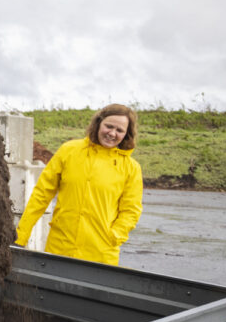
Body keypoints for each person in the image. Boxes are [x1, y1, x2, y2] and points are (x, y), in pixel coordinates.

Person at [15, 104, 143, 265]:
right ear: (98, 123)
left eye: (119, 130)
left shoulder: (131, 168)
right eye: (109, 126)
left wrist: (115, 236)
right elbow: (41, 195)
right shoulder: (69, 151)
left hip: (101, 254)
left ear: (126, 135)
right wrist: (22, 234)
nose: (112, 133)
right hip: (59, 248)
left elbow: (131, 211)